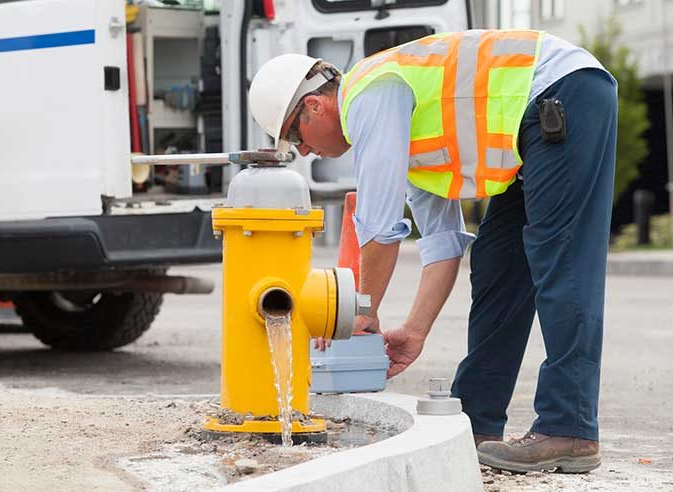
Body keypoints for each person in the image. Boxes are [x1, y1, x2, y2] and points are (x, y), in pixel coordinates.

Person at [248, 29, 617, 473]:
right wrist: (416, 330)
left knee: (561, 258)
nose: (306, 152)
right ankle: (477, 421)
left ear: (313, 105)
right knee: (498, 260)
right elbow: (443, 244)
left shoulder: (371, 91)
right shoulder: (407, 130)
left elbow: (380, 228)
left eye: (296, 137)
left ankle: (569, 427)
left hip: (560, 91)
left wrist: (363, 312)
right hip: (532, 117)